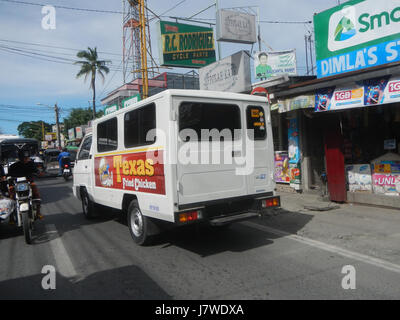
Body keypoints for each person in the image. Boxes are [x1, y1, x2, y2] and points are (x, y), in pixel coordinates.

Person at [8, 149, 43, 220]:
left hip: (29, 183)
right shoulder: (13, 166)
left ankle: (38, 213)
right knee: (11, 197)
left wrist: (39, 173)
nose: (26, 159)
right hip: (16, 184)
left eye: (27, 157)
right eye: (24, 158)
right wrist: (7, 178)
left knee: (37, 195)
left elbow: (36, 171)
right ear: (20, 158)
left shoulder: (31, 164)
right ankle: (11, 217)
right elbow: (9, 175)